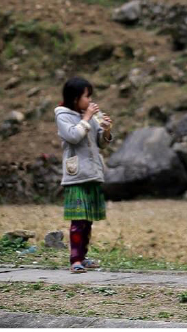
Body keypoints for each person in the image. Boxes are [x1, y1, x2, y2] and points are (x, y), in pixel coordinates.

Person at [55, 77, 112, 273]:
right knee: (78, 219)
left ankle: (83, 257)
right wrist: (87, 118)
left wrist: (105, 130)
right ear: (75, 97)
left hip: (92, 173)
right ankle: (75, 260)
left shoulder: (88, 115)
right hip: (76, 175)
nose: (90, 100)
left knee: (87, 220)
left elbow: (101, 143)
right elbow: (73, 136)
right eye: (86, 96)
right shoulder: (63, 115)